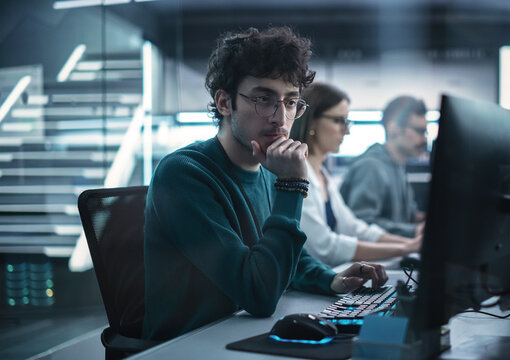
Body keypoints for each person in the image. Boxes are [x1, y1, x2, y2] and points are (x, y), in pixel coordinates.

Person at [142, 27, 387, 341]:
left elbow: (287, 262)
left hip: (237, 334)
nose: (280, 118)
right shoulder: (184, 174)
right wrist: (292, 185)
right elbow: (258, 294)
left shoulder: (269, 170)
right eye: (263, 99)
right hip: (188, 344)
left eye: (290, 102)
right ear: (224, 103)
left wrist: (333, 280)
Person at [289, 83, 422, 267]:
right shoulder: (298, 173)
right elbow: (324, 247)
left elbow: (354, 228)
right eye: (338, 121)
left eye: (347, 122)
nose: (347, 130)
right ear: (312, 121)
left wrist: (409, 244)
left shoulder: (322, 174)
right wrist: (406, 248)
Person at [340, 96, 428, 238]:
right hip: (373, 258)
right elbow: (362, 224)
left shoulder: (398, 166)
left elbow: (410, 216)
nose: (424, 139)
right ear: (393, 128)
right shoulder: (371, 167)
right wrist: (413, 231)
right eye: (419, 131)